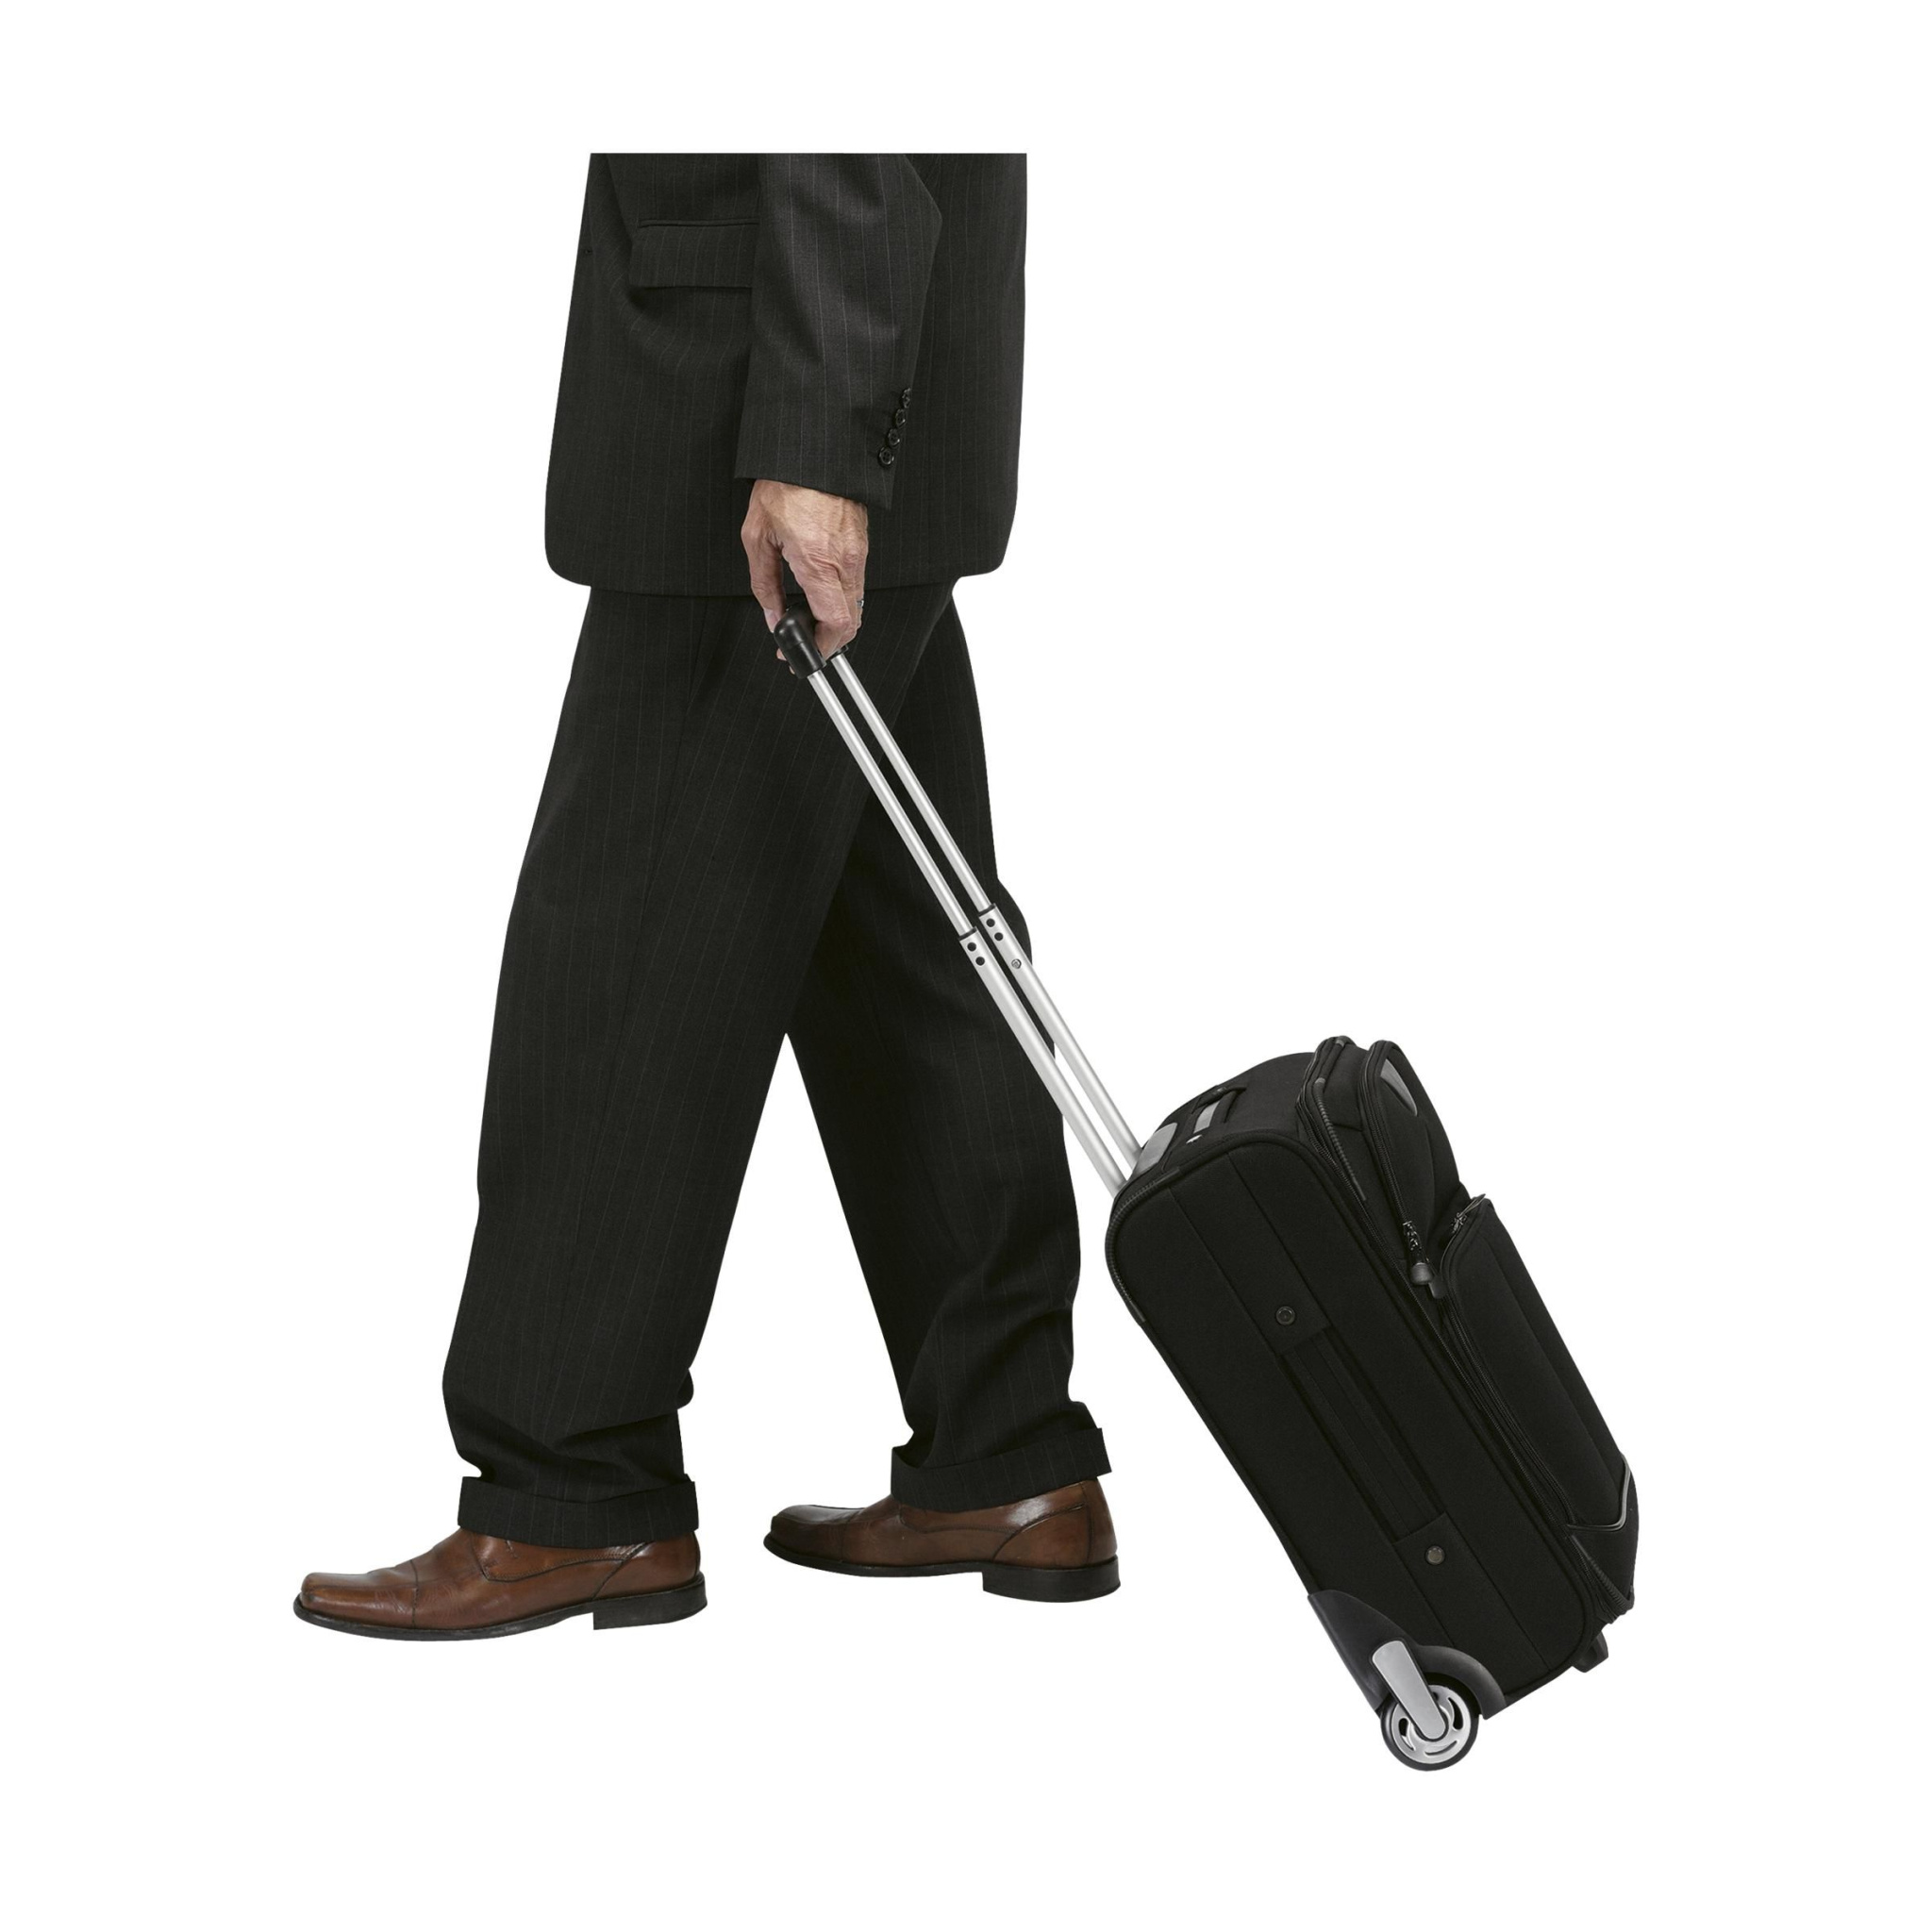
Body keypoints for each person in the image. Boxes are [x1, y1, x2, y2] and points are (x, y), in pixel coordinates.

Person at [294, 155, 1116, 1639]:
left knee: (626, 956)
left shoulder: (797, 433)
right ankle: (1006, 1458)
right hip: (835, 379)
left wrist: (816, 443)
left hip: (764, 409)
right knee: (899, 957)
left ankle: (569, 1492)